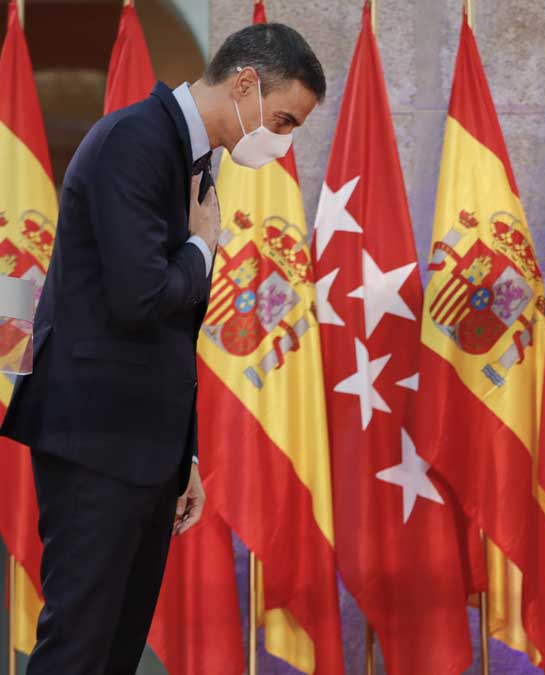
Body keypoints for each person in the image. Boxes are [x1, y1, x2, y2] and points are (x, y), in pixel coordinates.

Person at [0, 22, 324, 674]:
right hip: (96, 439)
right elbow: (139, 296)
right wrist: (204, 247)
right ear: (244, 84)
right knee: (78, 649)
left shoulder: (187, 156)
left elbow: (168, 333)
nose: (283, 142)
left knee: (115, 651)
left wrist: (186, 451)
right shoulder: (135, 140)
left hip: (142, 445)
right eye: (283, 119)